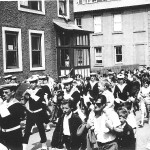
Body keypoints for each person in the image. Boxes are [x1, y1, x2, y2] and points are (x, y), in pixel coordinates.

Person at [22, 76, 48, 150]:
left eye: (33, 82)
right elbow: (25, 100)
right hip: (30, 112)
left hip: (38, 112)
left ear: (36, 83)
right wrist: (25, 95)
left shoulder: (40, 90)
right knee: (27, 130)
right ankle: (24, 146)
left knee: (41, 129)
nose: (32, 84)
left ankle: (44, 144)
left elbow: (38, 101)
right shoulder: (29, 91)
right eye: (31, 82)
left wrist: (31, 94)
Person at [0, 83, 25, 150]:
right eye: (3, 92)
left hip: (14, 134)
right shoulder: (4, 103)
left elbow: (7, 119)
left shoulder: (17, 105)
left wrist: (1, 106)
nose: (4, 94)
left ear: (12, 92)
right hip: (3, 133)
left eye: (6, 92)